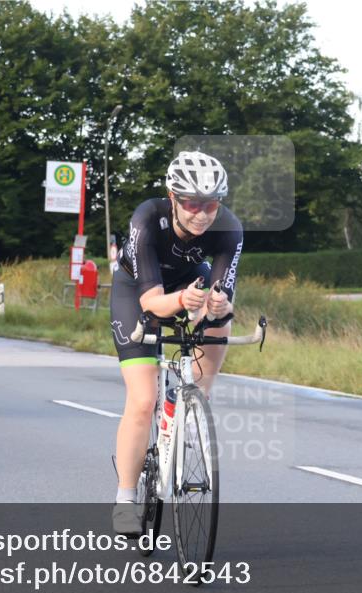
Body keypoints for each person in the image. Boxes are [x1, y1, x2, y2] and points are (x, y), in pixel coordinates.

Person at [110, 151, 243, 535]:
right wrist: (184, 301)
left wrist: (218, 303)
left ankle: (195, 403)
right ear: (172, 196)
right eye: (192, 204)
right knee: (142, 400)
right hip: (137, 289)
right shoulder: (148, 218)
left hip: (191, 281)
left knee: (219, 317)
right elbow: (151, 301)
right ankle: (125, 498)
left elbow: (223, 292)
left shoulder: (229, 229)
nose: (202, 214)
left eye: (212, 205)